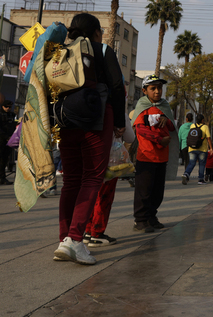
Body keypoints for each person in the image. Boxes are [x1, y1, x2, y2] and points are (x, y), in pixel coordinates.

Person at [53, 13, 126, 265]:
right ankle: (75, 240)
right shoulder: (102, 49)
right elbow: (117, 86)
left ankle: (64, 239)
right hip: (97, 118)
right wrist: (119, 121)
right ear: (96, 32)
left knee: (71, 180)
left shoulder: (61, 49)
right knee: (92, 177)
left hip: (65, 120)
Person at [131, 74, 176, 233]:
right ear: (144, 91)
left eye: (159, 88)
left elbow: (171, 127)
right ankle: (140, 220)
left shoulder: (164, 106)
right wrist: (158, 140)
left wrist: (167, 119)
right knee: (144, 191)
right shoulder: (142, 106)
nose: (157, 91)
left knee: (157, 192)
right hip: (146, 156)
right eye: (153, 88)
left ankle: (151, 216)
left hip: (161, 158)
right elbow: (139, 129)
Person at [83, 112, 135, 246]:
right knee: (104, 196)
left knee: (90, 194)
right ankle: (97, 233)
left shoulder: (90, 107)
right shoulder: (117, 112)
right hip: (110, 161)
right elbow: (130, 137)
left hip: (89, 157)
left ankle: (88, 230)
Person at [181, 114, 213, 185]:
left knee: (191, 163)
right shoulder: (205, 127)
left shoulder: (192, 126)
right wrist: (211, 148)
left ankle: (186, 174)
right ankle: (200, 179)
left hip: (191, 148)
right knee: (202, 164)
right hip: (202, 149)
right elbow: (208, 138)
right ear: (202, 120)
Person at [0, 100, 16, 185]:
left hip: (9, 140)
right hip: (1, 140)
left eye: (10, 107)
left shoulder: (12, 115)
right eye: (6, 107)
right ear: (2, 106)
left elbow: (13, 126)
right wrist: (6, 137)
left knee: (4, 160)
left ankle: (2, 178)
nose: (8, 108)